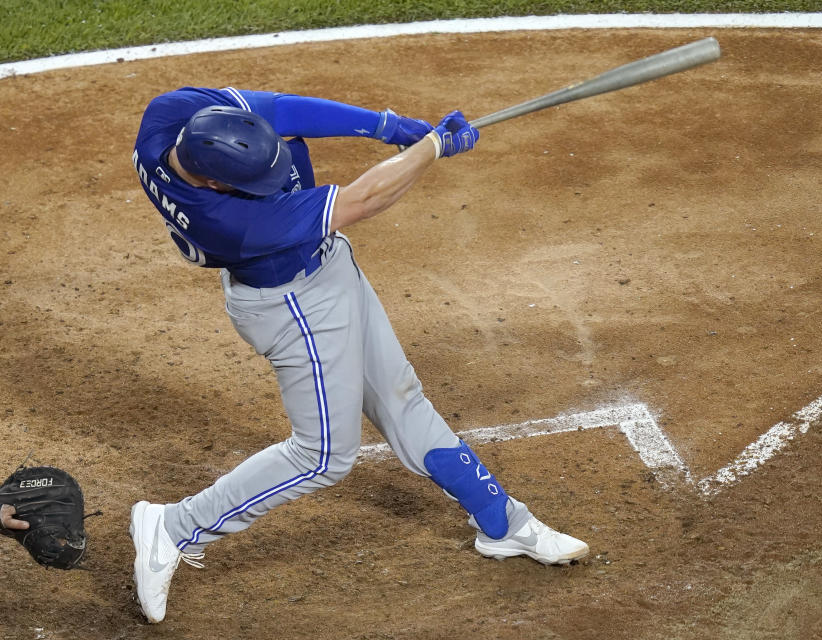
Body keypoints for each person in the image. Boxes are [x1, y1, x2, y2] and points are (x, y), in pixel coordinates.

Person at [129, 86, 589, 623]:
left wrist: (389, 126)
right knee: (322, 456)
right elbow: (363, 200)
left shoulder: (171, 115)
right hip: (293, 306)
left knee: (402, 399)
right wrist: (430, 150)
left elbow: (280, 109)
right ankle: (174, 527)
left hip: (328, 272)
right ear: (212, 181)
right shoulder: (229, 221)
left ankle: (504, 524)